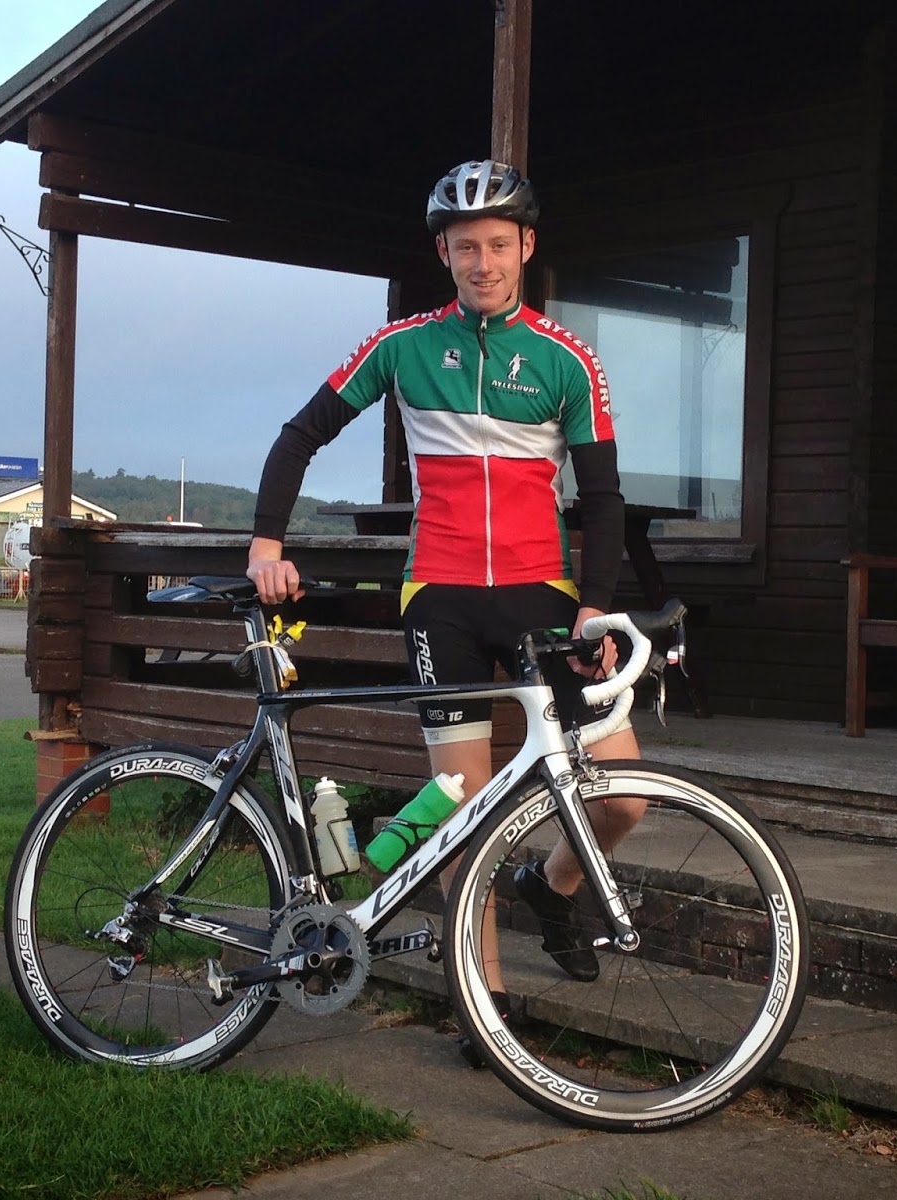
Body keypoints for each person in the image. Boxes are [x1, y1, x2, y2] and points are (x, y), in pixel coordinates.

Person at [245, 158, 647, 1017]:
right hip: (442, 596)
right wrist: (265, 543)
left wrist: (595, 605)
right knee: (459, 810)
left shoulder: (567, 359)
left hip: (545, 595)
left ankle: (553, 884)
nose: (483, 262)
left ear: (526, 246)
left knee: (625, 796)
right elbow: (300, 434)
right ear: (444, 253)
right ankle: (481, 997)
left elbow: (604, 497)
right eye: (467, 247)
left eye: (498, 244)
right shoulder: (403, 347)